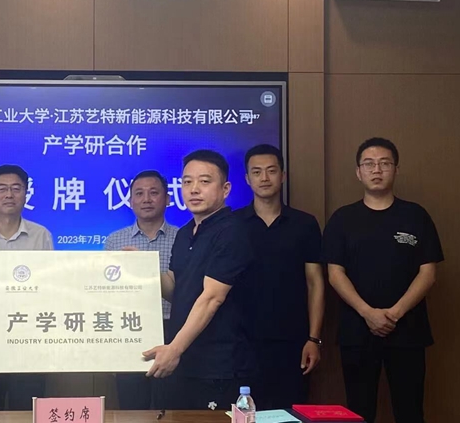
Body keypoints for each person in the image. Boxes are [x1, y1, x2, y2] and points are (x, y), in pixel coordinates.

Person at [324, 138, 443, 423]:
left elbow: (428, 273)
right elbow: (334, 274)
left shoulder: (416, 216)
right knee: (358, 411)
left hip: (408, 330)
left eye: (384, 163)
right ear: (359, 172)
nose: (376, 170)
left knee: (410, 411)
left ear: (396, 169)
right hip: (357, 330)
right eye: (369, 164)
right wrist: (368, 313)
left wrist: (394, 314)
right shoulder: (342, 219)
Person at [143, 150, 255, 411]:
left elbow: (212, 298)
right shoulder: (185, 233)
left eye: (204, 181)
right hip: (183, 360)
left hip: (217, 364)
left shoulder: (232, 231)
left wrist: (174, 349)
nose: (194, 189)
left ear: (225, 189)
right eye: (187, 181)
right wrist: (142, 269)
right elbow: (176, 289)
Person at [239, 144, 324, 409]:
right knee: (245, 415)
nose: (264, 178)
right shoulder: (232, 225)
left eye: (271, 171)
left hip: (293, 342)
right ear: (247, 179)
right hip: (242, 344)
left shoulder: (305, 224)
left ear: (283, 176)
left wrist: (314, 339)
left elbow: (315, 283)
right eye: (256, 172)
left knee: (291, 413)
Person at [0, 164, 52, 409]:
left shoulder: (41, 235)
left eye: (16, 188)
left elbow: (50, 287)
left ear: (25, 195)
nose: (9, 195)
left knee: (27, 408)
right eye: (1, 189)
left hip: (28, 339)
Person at [104, 170, 178, 410]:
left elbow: (183, 292)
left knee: (171, 406)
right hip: (129, 329)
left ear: (167, 199)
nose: (146, 199)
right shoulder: (114, 241)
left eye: (154, 193)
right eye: (139, 193)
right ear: (130, 201)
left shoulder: (183, 238)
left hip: (172, 330)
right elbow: (107, 294)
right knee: (132, 405)